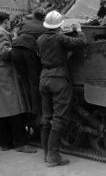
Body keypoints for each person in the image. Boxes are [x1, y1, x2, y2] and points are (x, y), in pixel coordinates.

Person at [37, 10, 87, 167]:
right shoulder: (60, 37)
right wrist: (79, 30)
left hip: (43, 79)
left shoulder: (40, 38)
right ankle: (53, 156)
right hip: (59, 80)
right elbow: (82, 42)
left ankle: (46, 153)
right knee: (59, 118)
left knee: (46, 117)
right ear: (59, 25)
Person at [0, 12, 36, 153]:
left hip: (3, 72)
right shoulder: (1, 33)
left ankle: (6, 142)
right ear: (6, 21)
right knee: (14, 107)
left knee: (6, 108)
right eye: (9, 22)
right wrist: (17, 46)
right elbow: (4, 52)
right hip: (7, 73)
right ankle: (20, 143)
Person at [12, 7, 46, 129]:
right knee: (34, 81)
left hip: (15, 49)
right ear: (43, 17)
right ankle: (36, 112)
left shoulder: (25, 23)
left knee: (23, 80)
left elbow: (16, 30)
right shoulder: (44, 27)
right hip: (28, 50)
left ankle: (25, 106)